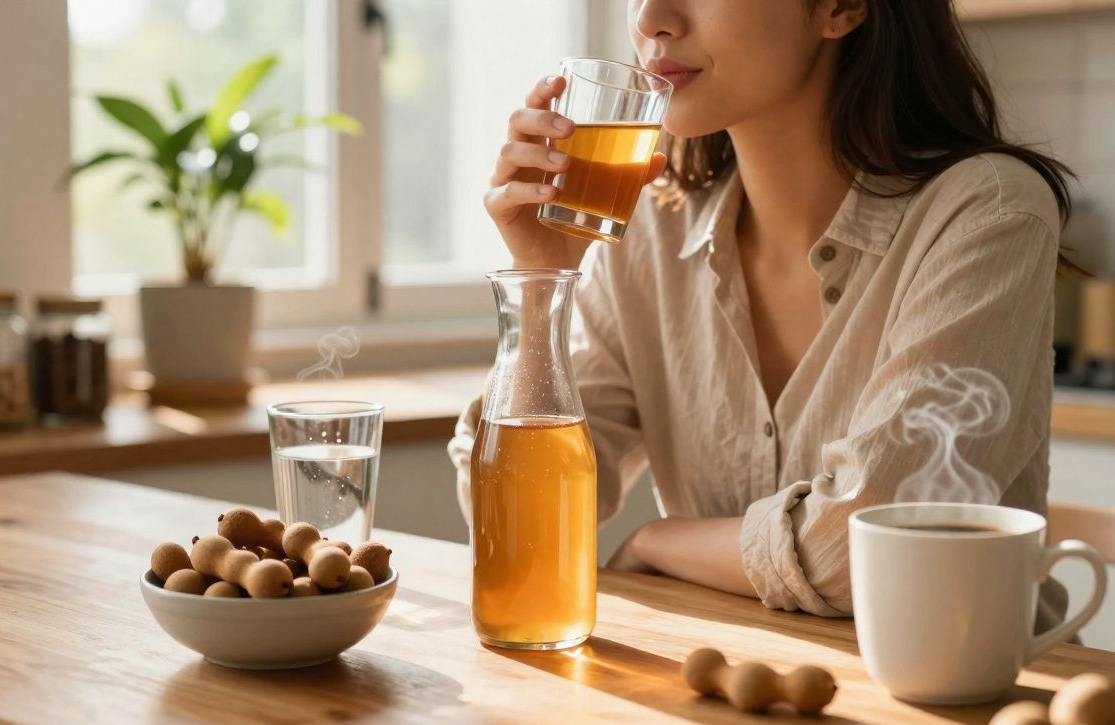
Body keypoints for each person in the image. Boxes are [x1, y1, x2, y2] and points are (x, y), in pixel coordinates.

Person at [448, 0, 1075, 628]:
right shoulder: (650, 234)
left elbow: (864, 550)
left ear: (841, 7)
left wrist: (658, 542)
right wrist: (542, 279)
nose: (651, 19)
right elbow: (513, 518)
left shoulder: (988, 213)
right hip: (725, 697)